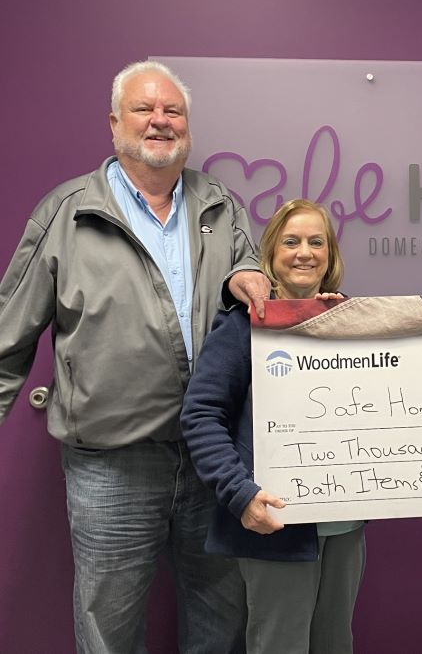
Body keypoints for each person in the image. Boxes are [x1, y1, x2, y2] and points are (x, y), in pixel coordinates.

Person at [0, 60, 272, 652]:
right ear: (114, 124)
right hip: (111, 466)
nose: (159, 121)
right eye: (144, 109)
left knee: (220, 620)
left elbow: (250, 264)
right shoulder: (66, 213)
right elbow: (7, 340)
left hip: (213, 458)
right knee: (110, 629)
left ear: (188, 126)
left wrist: (251, 272)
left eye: (173, 111)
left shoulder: (220, 205)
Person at [181, 199, 366, 654]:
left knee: (335, 644)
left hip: (344, 528)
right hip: (274, 525)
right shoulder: (242, 327)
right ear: (271, 255)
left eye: (316, 242)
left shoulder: (355, 322)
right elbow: (201, 417)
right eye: (291, 241)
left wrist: (340, 329)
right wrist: (240, 495)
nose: (304, 252)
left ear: (331, 255)